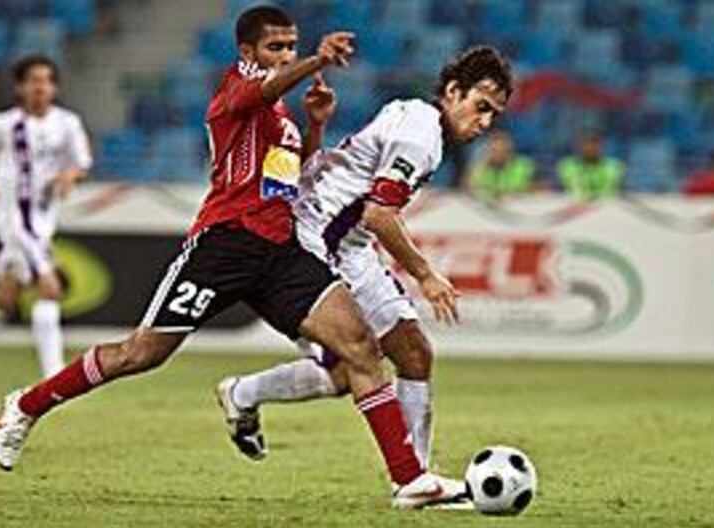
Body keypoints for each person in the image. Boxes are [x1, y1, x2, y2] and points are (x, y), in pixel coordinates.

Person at [0, 6, 461, 509]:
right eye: (274, 47)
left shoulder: (280, 120)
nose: (283, 55)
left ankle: (409, 479)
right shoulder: (233, 90)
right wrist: (313, 60)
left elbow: (290, 181)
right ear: (247, 53)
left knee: (361, 349)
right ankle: (25, 404)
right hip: (224, 244)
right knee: (140, 354)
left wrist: (316, 126)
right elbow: (260, 91)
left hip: (280, 252)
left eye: (290, 46)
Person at [215, 46, 513, 475]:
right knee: (347, 369)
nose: (485, 122)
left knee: (413, 353)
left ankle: (418, 477)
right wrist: (425, 275)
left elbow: (358, 197)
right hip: (314, 240)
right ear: (452, 90)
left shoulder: (416, 118)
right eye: (480, 107)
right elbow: (379, 215)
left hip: (349, 245)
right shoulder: (420, 131)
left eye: (493, 115)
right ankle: (243, 394)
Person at [0, 55, 92, 378]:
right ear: (20, 88)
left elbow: (82, 163)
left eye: (46, 81)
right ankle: (54, 375)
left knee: (5, 299)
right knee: (50, 288)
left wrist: (69, 176)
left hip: (44, 219)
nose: (41, 87)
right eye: (34, 81)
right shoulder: (3, 124)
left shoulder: (67, 124)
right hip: (15, 223)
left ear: (54, 87)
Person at [466, 130, 534, 199]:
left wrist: (514, 192)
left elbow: (540, 188)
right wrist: (482, 164)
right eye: (494, 151)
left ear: (509, 151)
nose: (498, 155)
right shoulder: (482, 167)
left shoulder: (523, 165)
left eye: (502, 150)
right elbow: (468, 188)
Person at [557, 131, 623, 200]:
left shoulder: (614, 166)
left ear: (603, 145)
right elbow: (556, 191)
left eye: (595, 142)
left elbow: (617, 193)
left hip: (607, 208)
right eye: (587, 142)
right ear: (579, 146)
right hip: (573, 206)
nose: (591, 147)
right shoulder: (567, 166)